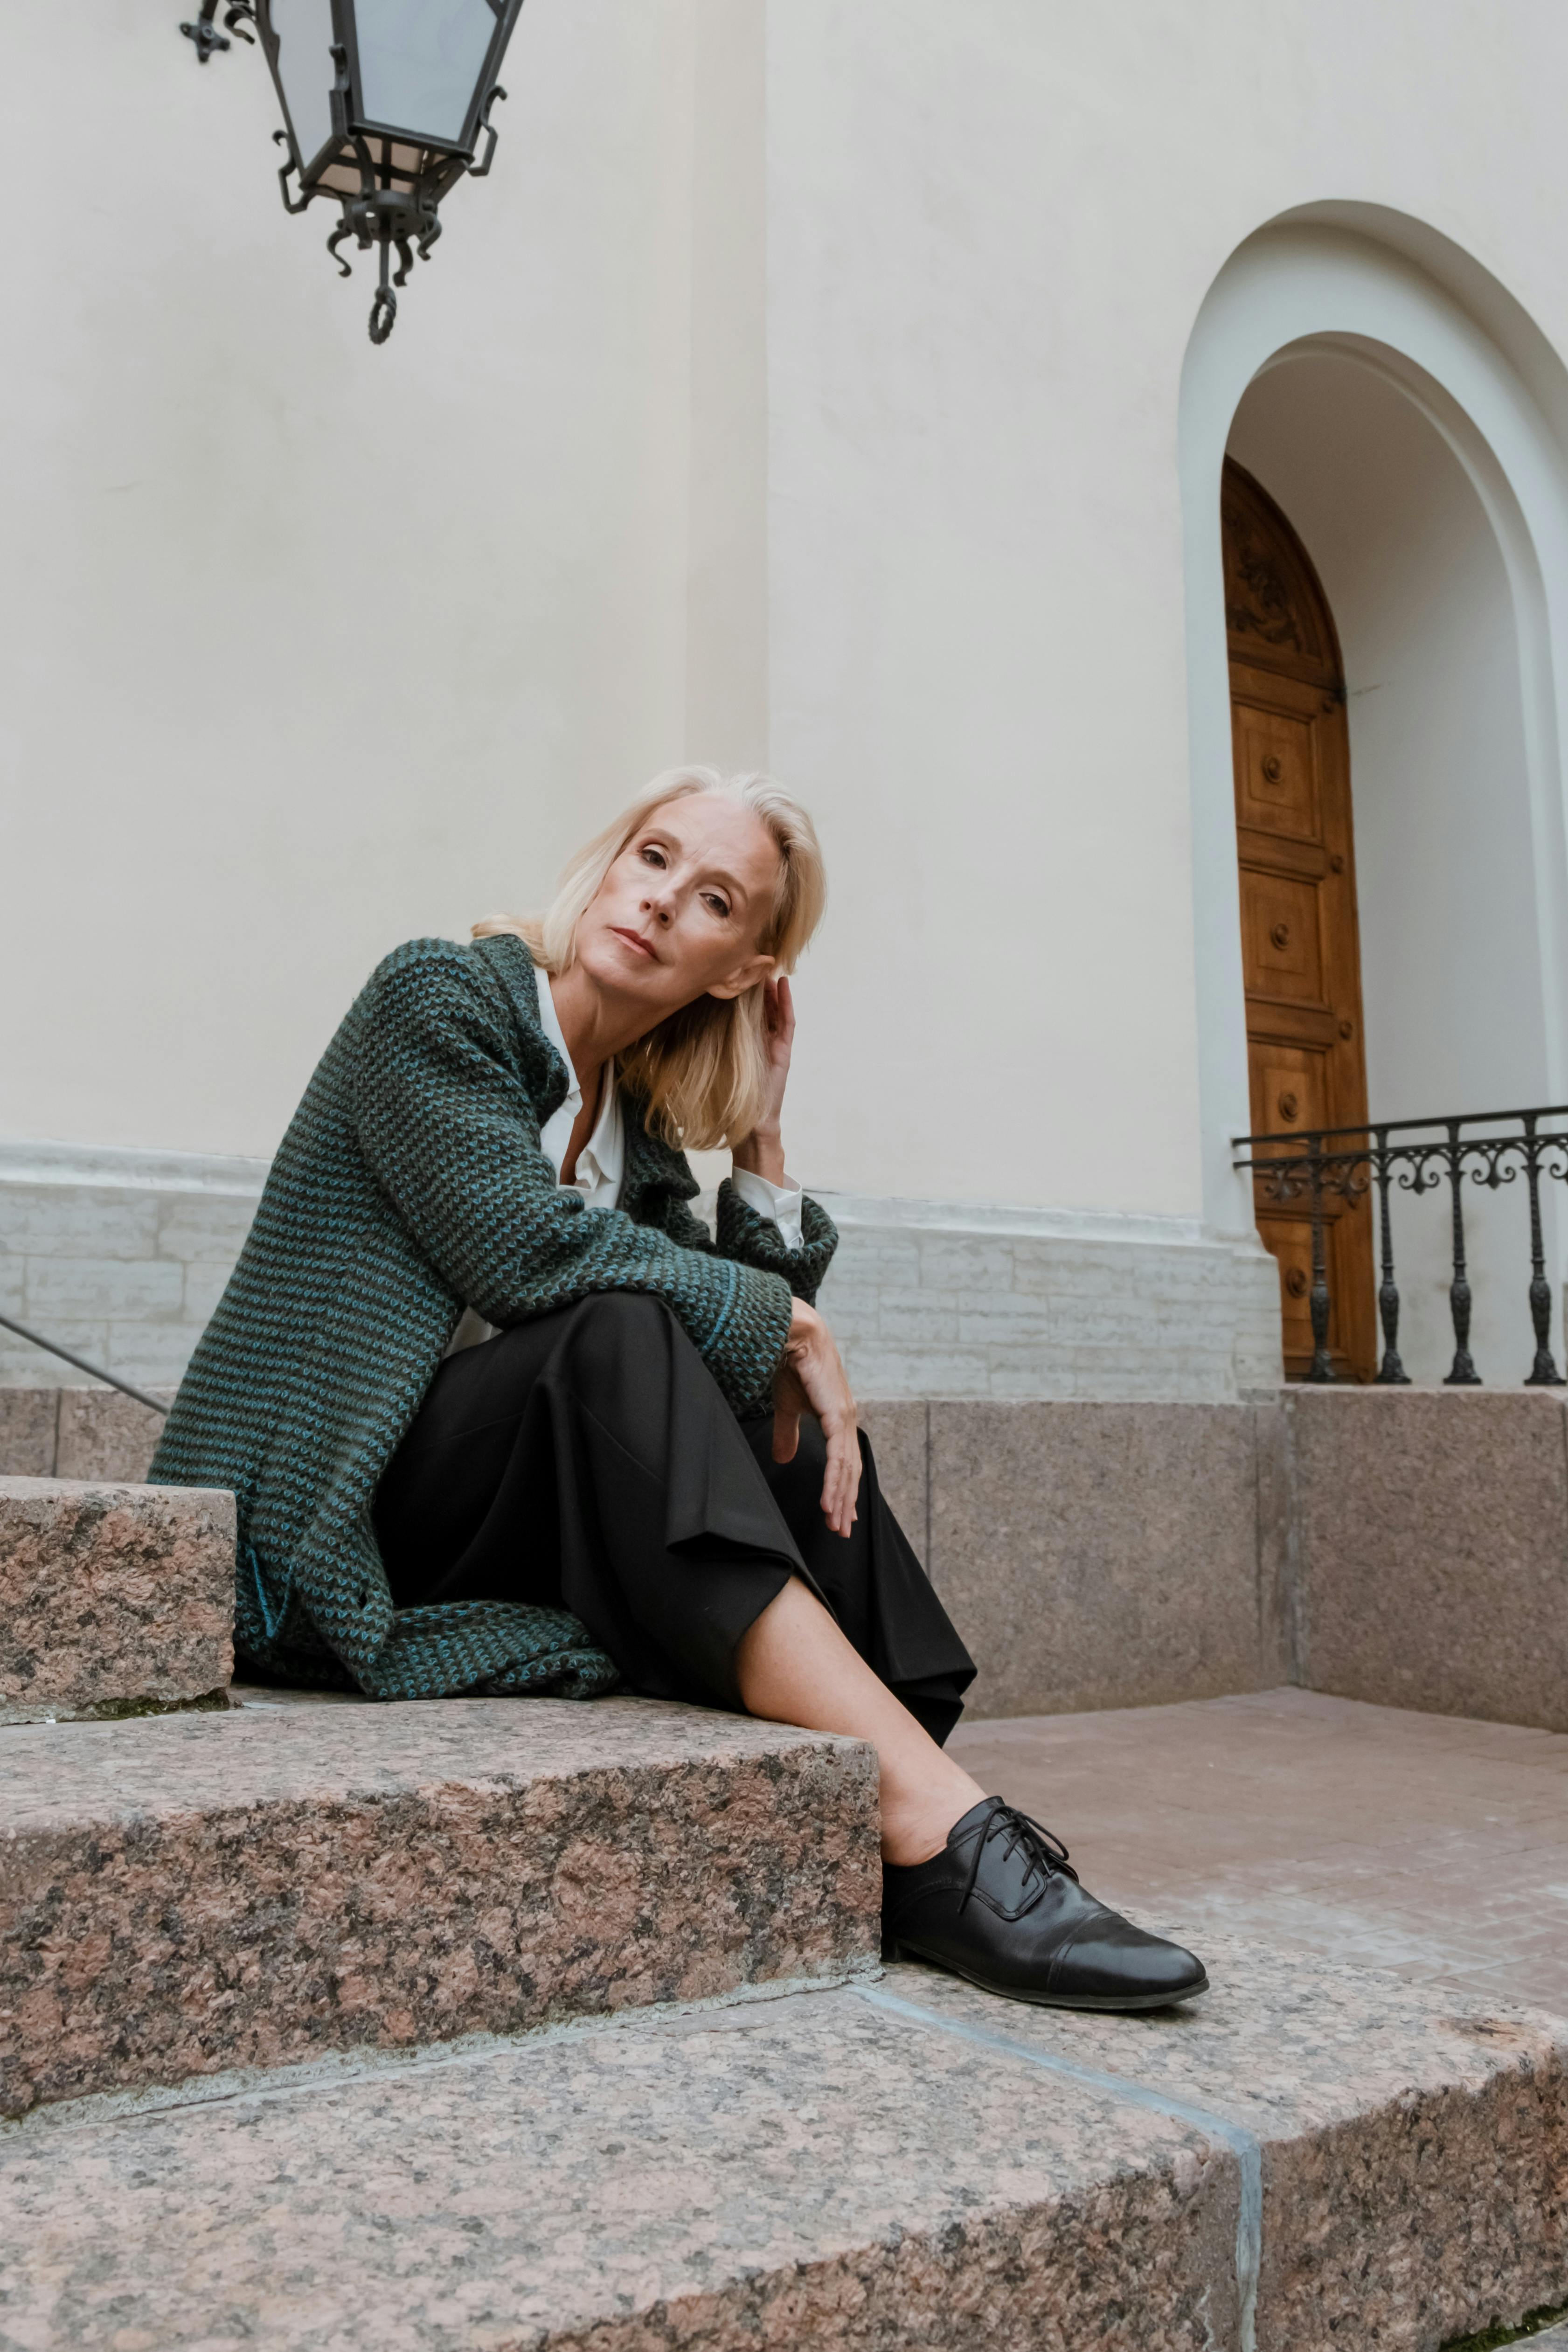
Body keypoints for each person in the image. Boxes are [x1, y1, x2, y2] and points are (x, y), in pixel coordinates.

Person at [151, 767, 1206, 2013]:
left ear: (739, 970)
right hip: (322, 1527)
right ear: (607, 863)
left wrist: (759, 1146)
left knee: (751, 1406)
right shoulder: (437, 997)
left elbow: (726, 1370)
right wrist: (782, 1316)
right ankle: (935, 1831)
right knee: (621, 1335)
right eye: (651, 857)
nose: (656, 902)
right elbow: (521, 1246)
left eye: (709, 898)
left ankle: (913, 1797)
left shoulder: (638, 1140)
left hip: (479, 1516)